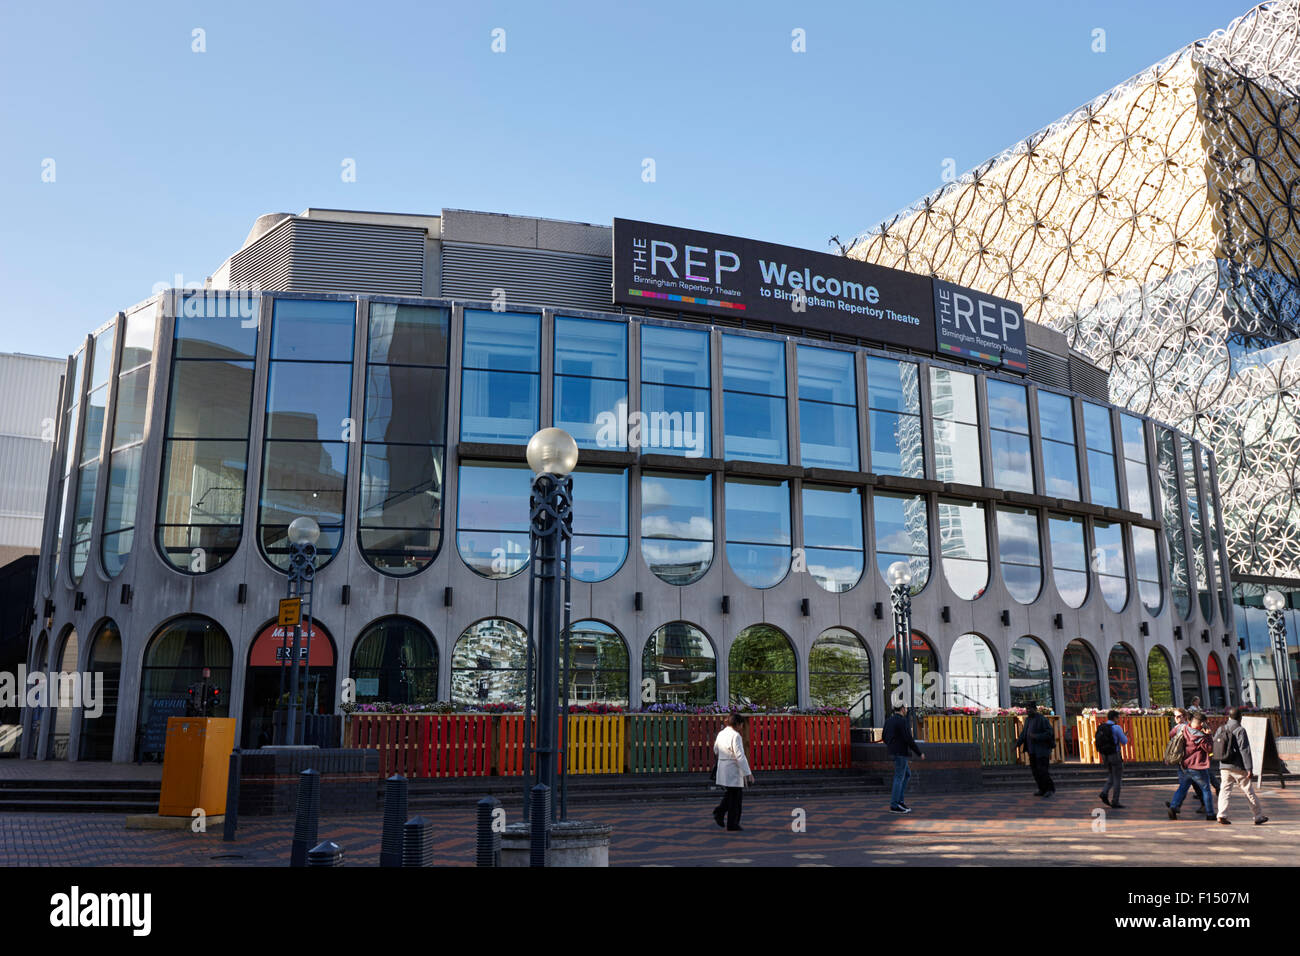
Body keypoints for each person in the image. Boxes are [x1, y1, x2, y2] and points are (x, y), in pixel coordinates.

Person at [1216, 706, 1267, 826]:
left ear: (1229, 717)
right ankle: (1258, 816)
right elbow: (1244, 750)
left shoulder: (1221, 728)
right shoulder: (1240, 729)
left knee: (1224, 790)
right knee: (1248, 790)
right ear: (1240, 718)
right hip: (1238, 766)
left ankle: (1221, 814)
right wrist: (1249, 768)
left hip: (1224, 765)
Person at [1168, 713, 1216, 820]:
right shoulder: (1201, 736)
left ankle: (1174, 806)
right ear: (1202, 723)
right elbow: (1209, 749)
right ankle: (1210, 813)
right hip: (1198, 766)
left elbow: (1171, 734)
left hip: (1185, 765)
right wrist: (1208, 735)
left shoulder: (1183, 728)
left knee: (1183, 787)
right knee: (1206, 789)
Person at [712, 712, 753, 831]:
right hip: (733, 768)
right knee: (736, 797)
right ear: (738, 724)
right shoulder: (736, 736)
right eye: (741, 724)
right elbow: (740, 755)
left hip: (723, 766)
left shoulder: (721, 733)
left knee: (731, 794)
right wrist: (748, 773)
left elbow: (716, 749)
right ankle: (730, 821)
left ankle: (721, 814)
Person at [882, 703, 925, 813]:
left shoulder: (889, 720)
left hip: (894, 751)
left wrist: (891, 745)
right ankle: (895, 804)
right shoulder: (902, 721)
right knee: (899, 777)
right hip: (901, 752)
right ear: (902, 709)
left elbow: (884, 736)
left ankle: (899, 801)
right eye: (906, 708)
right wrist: (919, 753)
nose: (906, 710)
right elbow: (908, 739)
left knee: (906, 774)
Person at [1015, 702, 1056, 797]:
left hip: (1042, 750)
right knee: (1035, 771)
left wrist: (1036, 736)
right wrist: (1017, 744)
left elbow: (1049, 733)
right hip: (1032, 750)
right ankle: (1042, 789)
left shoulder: (1042, 719)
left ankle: (1049, 789)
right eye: (1027, 709)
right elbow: (1023, 734)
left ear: (1035, 709)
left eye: (1030, 709)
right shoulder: (1028, 720)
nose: (1028, 711)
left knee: (1043, 770)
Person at [1096, 709, 1129, 809]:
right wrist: (1124, 735)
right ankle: (1115, 800)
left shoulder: (1102, 727)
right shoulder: (1116, 727)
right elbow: (1124, 741)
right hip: (1114, 754)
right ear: (1115, 718)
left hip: (1104, 755)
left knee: (1111, 774)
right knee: (1117, 778)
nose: (1118, 719)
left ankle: (1104, 792)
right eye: (1118, 717)